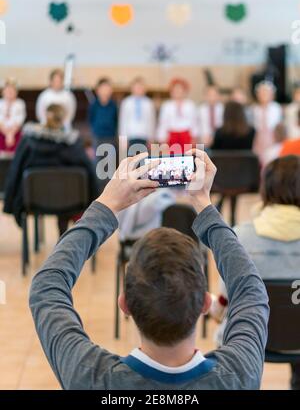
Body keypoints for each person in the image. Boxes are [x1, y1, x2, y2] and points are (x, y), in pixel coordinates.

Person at [29, 149, 269, 390]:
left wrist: (107, 204)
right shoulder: (239, 374)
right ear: (206, 303)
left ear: (125, 304)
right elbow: (250, 290)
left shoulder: (90, 377)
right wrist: (204, 203)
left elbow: (47, 289)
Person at [210, 155, 300, 389]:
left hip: (252, 338)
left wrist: (215, 311)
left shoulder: (240, 237)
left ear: (265, 190)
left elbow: (225, 302)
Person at [4, 104, 98, 235]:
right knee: (66, 190)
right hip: (70, 201)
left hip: (33, 201)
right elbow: (90, 176)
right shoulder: (73, 145)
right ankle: (64, 237)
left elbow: (15, 171)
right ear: (64, 119)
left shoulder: (28, 143)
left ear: (44, 117)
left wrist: (11, 201)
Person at [88, 78, 118, 191]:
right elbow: (91, 120)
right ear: (97, 90)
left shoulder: (113, 105)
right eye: (103, 88)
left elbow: (116, 121)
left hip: (110, 138)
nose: (105, 91)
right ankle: (98, 193)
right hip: (97, 138)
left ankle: (109, 192)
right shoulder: (94, 105)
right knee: (98, 168)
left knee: (110, 169)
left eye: (108, 88)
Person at [157, 78, 198, 152]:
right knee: (172, 160)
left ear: (184, 91)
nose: (178, 91)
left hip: (186, 137)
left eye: (180, 89)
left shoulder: (190, 105)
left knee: (187, 159)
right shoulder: (166, 105)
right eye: (175, 89)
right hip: (171, 137)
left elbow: (194, 122)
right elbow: (163, 123)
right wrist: (162, 139)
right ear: (171, 91)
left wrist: (194, 137)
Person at [119, 77, 155, 153]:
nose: (138, 89)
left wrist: (151, 138)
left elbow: (151, 121)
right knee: (132, 162)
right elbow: (123, 121)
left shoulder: (149, 103)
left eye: (141, 87)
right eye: (136, 87)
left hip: (144, 136)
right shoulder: (126, 102)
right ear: (132, 88)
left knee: (144, 161)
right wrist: (123, 139)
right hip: (131, 137)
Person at [252, 80, 282, 161]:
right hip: (258, 141)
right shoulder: (254, 109)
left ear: (272, 95)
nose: (264, 95)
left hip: (273, 141)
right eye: (261, 93)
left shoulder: (277, 108)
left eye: (267, 93)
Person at [0, 78, 26, 153]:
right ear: (3, 91)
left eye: (12, 90)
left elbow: (20, 120)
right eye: (7, 89)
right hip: (2, 132)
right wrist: (7, 134)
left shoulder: (20, 103)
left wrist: (11, 134)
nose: (10, 92)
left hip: (15, 132)